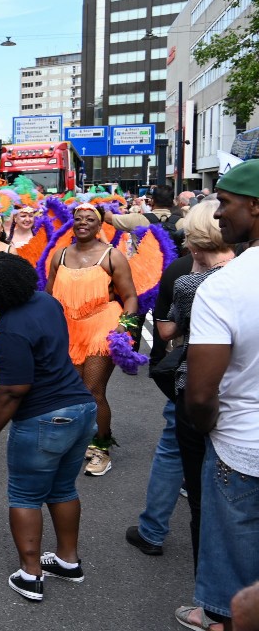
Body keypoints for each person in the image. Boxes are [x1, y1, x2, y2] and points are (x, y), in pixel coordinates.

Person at [0, 253, 96, 603]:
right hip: (81, 409)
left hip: (45, 417)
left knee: (25, 495)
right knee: (63, 487)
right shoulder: (46, 302)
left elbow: (13, 389)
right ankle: (68, 561)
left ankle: (30, 574)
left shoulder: (11, 330)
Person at [181, 160, 259, 631]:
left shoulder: (226, 286)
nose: (217, 215)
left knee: (234, 602)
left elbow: (201, 393)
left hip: (241, 453)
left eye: (225, 202)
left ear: (255, 205)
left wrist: (207, 425)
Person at [130, 198, 230, 564]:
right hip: (237, 387)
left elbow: (167, 329)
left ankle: (153, 530)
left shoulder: (185, 278)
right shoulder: (246, 272)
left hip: (198, 382)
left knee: (176, 451)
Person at [46, 204, 139, 476]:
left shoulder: (112, 256)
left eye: (90, 219)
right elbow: (49, 294)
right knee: (72, 392)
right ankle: (80, 439)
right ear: (72, 224)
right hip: (69, 329)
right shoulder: (60, 255)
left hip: (103, 323)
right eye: (78, 219)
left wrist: (125, 325)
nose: (83, 222)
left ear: (100, 226)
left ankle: (102, 448)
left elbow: (131, 296)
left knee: (92, 390)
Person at [104, 185, 184, 234]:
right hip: (175, 261)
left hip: (144, 261)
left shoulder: (137, 219)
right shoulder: (183, 223)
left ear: (152, 201)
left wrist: (102, 202)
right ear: (173, 202)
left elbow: (108, 218)